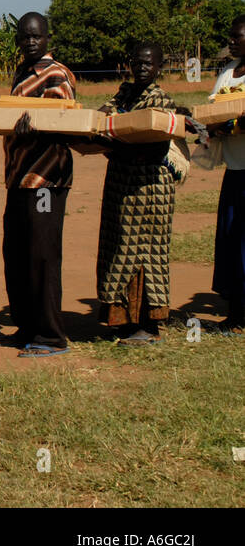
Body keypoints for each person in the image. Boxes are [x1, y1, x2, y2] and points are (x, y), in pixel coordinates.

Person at [94, 43, 187, 344]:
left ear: (159, 66)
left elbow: (154, 137)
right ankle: (121, 319)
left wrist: (117, 135)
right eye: (137, 62)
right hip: (121, 182)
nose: (142, 67)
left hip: (149, 187)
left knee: (146, 251)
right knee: (116, 246)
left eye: (149, 63)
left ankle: (147, 323)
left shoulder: (161, 99)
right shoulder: (122, 95)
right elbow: (101, 119)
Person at [1, 13, 76, 357]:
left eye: (36, 36)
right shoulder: (20, 74)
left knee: (42, 254)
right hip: (18, 178)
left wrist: (39, 126)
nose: (30, 42)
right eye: (25, 36)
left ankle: (50, 335)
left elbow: (65, 117)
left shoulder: (56, 74)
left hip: (45, 180)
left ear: (48, 38)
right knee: (17, 254)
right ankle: (28, 325)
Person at [208, 15, 245, 332]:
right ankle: (235, 313)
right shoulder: (227, 74)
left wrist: (229, 123)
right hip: (234, 169)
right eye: (230, 36)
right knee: (231, 240)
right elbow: (212, 114)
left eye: (237, 36)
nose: (231, 41)